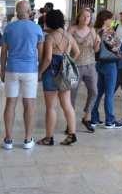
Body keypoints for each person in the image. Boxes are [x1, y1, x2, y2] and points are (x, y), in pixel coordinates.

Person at [0, 1, 44, 150]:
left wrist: (2, 70)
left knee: (10, 103)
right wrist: (41, 71)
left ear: (17, 12)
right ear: (29, 11)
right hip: (30, 70)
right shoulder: (37, 28)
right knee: (29, 104)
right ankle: (27, 139)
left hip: (12, 69)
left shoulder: (9, 28)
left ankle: (8, 139)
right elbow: (41, 54)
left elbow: (3, 52)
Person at [37, 9, 80, 146]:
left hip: (51, 72)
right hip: (65, 72)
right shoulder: (68, 36)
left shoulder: (50, 37)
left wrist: (40, 72)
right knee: (67, 104)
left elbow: (48, 58)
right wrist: (68, 61)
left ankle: (49, 138)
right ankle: (72, 133)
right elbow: (77, 52)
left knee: (51, 107)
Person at [69, 8, 100, 133]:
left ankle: (86, 117)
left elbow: (96, 50)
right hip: (74, 66)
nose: (86, 19)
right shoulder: (72, 29)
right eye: (84, 16)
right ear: (79, 17)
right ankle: (70, 122)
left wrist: (98, 43)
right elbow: (66, 45)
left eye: (88, 17)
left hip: (90, 65)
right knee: (72, 95)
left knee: (94, 91)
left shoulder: (92, 31)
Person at [90, 9, 122, 129]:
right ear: (106, 19)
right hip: (110, 64)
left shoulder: (95, 31)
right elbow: (116, 46)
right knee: (109, 93)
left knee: (98, 92)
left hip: (99, 63)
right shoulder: (108, 32)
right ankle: (110, 120)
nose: (113, 21)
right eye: (111, 19)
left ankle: (94, 118)